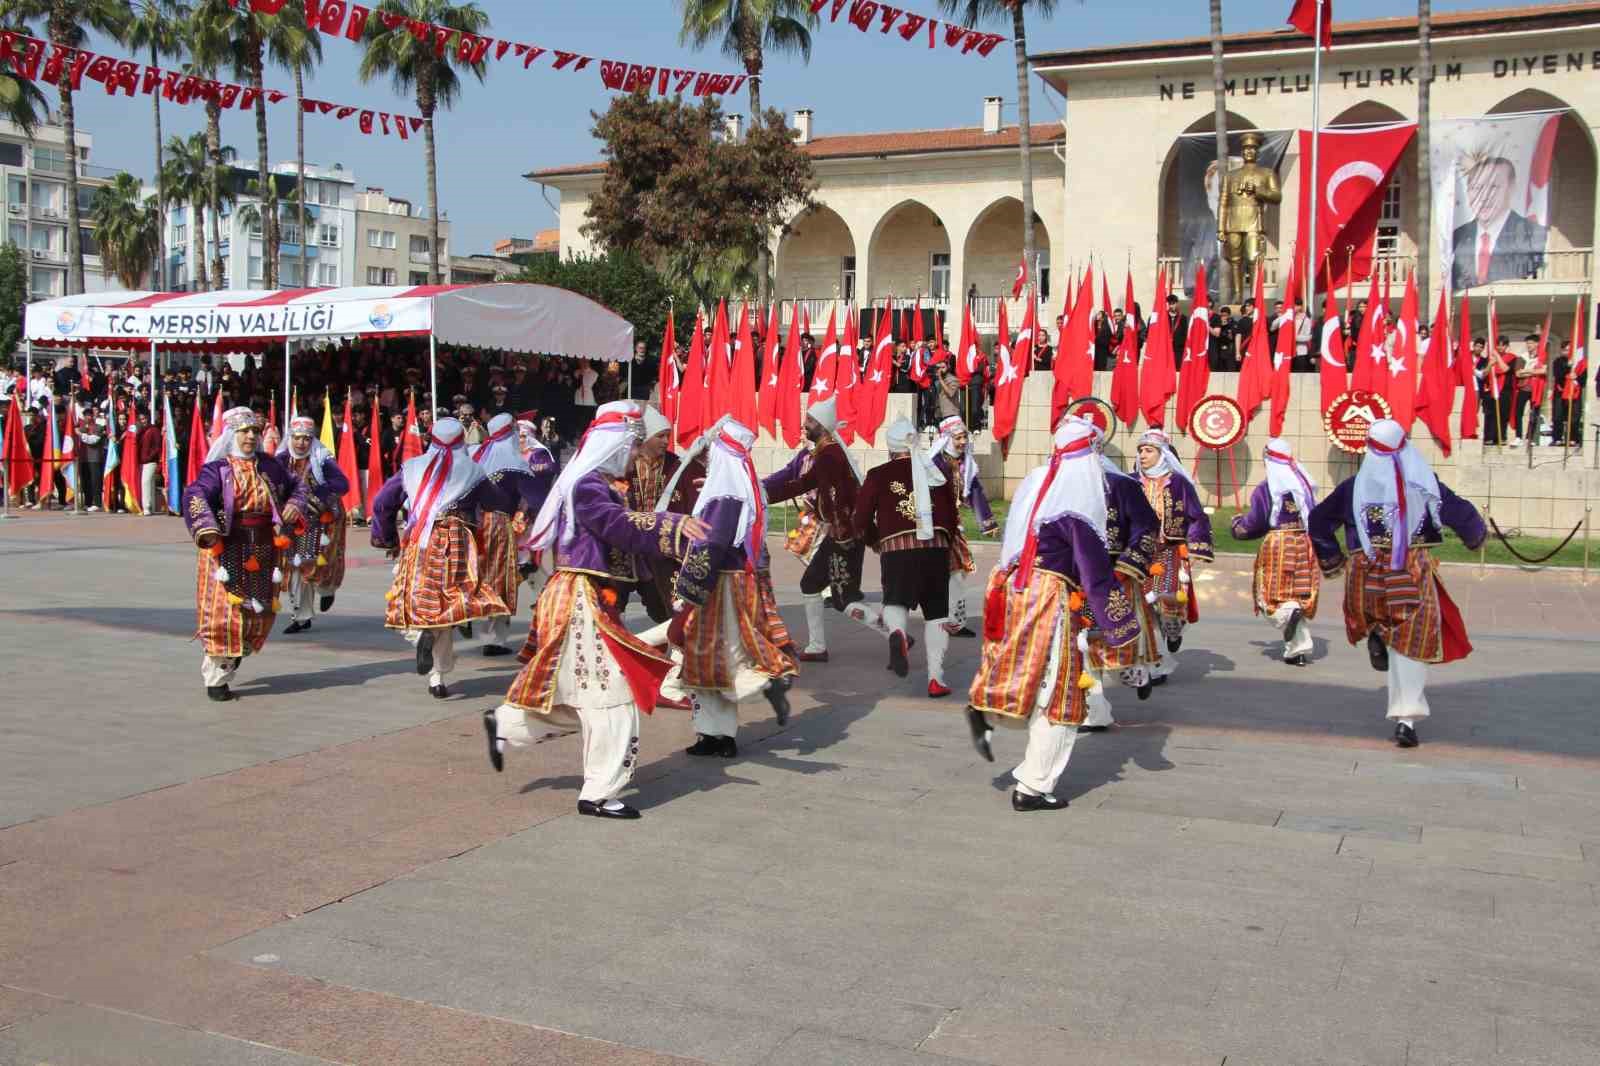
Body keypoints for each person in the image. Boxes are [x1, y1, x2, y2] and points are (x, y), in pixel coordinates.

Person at [484, 401, 710, 820]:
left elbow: (619, 529)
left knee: (582, 696)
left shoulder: (593, 482)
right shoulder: (589, 486)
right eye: (630, 442)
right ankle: (600, 792)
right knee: (614, 695)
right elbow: (615, 525)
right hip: (582, 599)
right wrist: (670, 525)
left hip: (581, 597)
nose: (634, 451)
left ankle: (508, 725)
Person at [963, 419, 1141, 811]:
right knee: (1061, 692)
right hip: (1053, 599)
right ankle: (1033, 785)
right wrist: (1123, 626)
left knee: (1027, 676)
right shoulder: (1076, 503)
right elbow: (1095, 577)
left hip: (1015, 589)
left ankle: (991, 716)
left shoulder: (1039, 485)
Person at [1308, 419, 1486, 747]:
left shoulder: (1352, 487)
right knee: (1412, 643)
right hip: (1411, 570)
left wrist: (1332, 557)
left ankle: (1376, 632)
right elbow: (1459, 511)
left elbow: (1318, 520)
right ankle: (1407, 719)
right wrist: (1475, 534)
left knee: (1383, 623)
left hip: (1367, 572)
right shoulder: (1422, 482)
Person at [668, 418, 798, 757]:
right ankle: (715, 735)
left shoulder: (725, 494)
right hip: (734, 582)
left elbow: (710, 546)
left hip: (717, 585)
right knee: (713, 662)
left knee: (714, 658)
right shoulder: (737, 487)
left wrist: (687, 591)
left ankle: (741, 706)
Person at [370, 417, 510, 699]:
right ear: (461, 440)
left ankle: (420, 637)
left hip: (420, 541)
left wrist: (386, 538)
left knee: (411, 600)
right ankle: (437, 676)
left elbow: (382, 502)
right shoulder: (472, 469)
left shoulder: (410, 468)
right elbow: (498, 502)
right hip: (457, 544)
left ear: (430, 440)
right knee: (446, 609)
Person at [180, 407, 309, 701]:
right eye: (244, 432)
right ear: (231, 435)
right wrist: (207, 527)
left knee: (257, 614)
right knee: (224, 616)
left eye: (255, 431)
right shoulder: (217, 469)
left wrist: (295, 505)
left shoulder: (271, 466)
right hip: (226, 548)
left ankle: (235, 654)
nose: (251, 436)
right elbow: (195, 495)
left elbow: (298, 486)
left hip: (263, 549)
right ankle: (216, 679)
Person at [762, 397, 876, 661]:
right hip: (841, 533)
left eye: (810, 421)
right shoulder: (825, 453)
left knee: (843, 598)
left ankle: (894, 632)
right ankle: (817, 647)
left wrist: (843, 534)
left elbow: (840, 497)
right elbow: (802, 484)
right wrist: (762, 493)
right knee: (813, 584)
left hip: (843, 535)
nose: (805, 425)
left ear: (823, 427)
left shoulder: (829, 455)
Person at [853, 418, 960, 698]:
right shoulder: (935, 472)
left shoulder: (878, 475)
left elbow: (860, 519)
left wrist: (874, 540)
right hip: (935, 550)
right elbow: (951, 516)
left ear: (890, 449)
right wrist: (946, 545)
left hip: (897, 550)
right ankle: (936, 678)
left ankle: (898, 633)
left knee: (895, 600)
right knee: (936, 614)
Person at [1069, 415, 1160, 731]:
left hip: (1112, 573)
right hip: (1076, 577)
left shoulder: (1123, 486)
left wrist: (1127, 566)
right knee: (1080, 642)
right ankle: (1095, 711)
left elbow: (1147, 526)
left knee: (1112, 638)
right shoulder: (1063, 487)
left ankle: (1133, 672)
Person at [472, 412, 558, 656]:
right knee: (524, 578)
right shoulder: (515, 464)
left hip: (478, 529)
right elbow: (537, 498)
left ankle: (491, 635)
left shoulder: (478, 457)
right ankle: (550, 623)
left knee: (489, 581)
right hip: (508, 530)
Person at [1230, 438, 1320, 667]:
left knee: (1268, 594)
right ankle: (1297, 650)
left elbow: (1255, 522)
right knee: (1296, 595)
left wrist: (1238, 526)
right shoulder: (1304, 483)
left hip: (1279, 543)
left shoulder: (1266, 487)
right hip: (1304, 542)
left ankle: (1286, 617)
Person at [1133, 428, 1213, 682]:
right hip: (1140, 554)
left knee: (1168, 604)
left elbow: (1196, 515)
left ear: (1162, 454)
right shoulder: (1131, 482)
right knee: (1145, 607)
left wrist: (1198, 545)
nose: (1143, 455)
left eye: (1149, 450)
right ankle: (1157, 663)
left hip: (1170, 551)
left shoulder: (1178, 483)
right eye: (1141, 451)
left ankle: (1175, 630)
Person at [625, 405, 702, 623]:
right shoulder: (626, 463)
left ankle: (669, 648)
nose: (665, 441)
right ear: (646, 437)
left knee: (663, 606)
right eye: (660, 436)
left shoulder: (676, 465)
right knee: (613, 601)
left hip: (660, 546)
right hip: (625, 542)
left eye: (668, 436)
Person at [278, 415, 350, 635]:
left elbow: (342, 484)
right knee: (294, 566)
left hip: (322, 520)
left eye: (306, 439)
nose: (301, 443)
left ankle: (327, 589)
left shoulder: (322, 458)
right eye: (298, 438)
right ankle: (301, 616)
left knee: (320, 565)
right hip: (293, 522)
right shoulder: (280, 460)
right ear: (290, 438)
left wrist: (316, 494)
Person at [930, 415, 997, 637]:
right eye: (958, 438)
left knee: (955, 572)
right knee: (952, 572)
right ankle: (949, 620)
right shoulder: (935, 463)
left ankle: (951, 620)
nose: (962, 442)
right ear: (946, 438)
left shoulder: (965, 463)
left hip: (951, 527)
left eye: (964, 438)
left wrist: (987, 524)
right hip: (935, 527)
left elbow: (975, 491)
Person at [1449, 157, 1548, 291]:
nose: (1483, 197)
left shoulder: (1532, 233)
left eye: (1493, 187)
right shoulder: (1457, 237)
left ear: (1511, 188)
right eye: (1476, 188)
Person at [1552, 335, 1587, 447]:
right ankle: (1557, 438)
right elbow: (1558, 376)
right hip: (1561, 392)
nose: (1567, 352)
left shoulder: (1581, 363)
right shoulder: (1558, 362)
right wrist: (1568, 368)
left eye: (1569, 349)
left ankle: (1573, 438)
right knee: (1558, 416)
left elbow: (1583, 380)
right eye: (1565, 350)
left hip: (1575, 393)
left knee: (1574, 417)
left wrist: (1575, 377)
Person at [1513, 333, 1546, 445]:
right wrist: (1533, 372)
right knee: (1518, 412)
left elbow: (1543, 371)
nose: (1529, 345)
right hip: (1523, 388)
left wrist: (1527, 371)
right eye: (1527, 343)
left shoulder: (1542, 357)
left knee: (1534, 413)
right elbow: (1518, 373)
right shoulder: (1522, 357)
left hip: (1536, 389)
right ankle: (1518, 436)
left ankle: (1530, 437)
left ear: (1537, 344)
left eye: (1531, 343)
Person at [136, 410, 163, 516]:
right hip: (141, 461)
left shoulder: (154, 430)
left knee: (145, 482)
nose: (143, 421)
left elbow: (157, 446)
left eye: (144, 418)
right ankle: (151, 506)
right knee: (149, 483)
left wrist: (149, 457)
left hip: (150, 461)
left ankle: (146, 507)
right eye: (141, 419)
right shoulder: (140, 431)